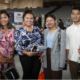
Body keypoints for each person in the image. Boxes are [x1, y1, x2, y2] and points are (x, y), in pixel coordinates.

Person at [14, 7, 43, 79]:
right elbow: (17, 46)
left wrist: (42, 53)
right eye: (27, 18)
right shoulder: (19, 31)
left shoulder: (37, 29)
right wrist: (27, 53)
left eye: (31, 18)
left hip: (37, 56)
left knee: (35, 75)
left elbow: (42, 41)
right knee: (27, 75)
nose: (29, 20)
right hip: (25, 56)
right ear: (23, 19)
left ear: (33, 19)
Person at [40, 14, 66, 79]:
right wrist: (42, 54)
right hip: (46, 56)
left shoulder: (61, 32)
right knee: (47, 75)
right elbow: (44, 45)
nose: (49, 22)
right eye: (47, 21)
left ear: (55, 21)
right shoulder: (45, 31)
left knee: (56, 76)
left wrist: (62, 63)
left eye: (51, 20)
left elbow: (62, 49)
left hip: (57, 57)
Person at [66, 7, 80, 79]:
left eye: (77, 14)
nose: (75, 16)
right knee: (73, 77)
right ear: (71, 15)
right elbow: (67, 44)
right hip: (72, 58)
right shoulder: (68, 29)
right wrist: (67, 55)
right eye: (73, 14)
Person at [0, 10, 15, 75]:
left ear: (8, 19)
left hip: (10, 58)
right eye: (0, 18)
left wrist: (11, 55)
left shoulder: (12, 30)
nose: (3, 19)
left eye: (5, 17)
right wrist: (1, 58)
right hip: (1, 58)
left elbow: (13, 44)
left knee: (10, 75)